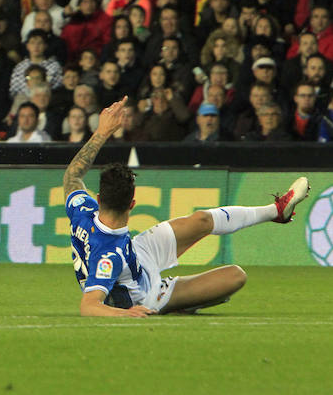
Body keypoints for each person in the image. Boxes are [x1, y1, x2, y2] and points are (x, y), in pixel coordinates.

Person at [63, 96, 311, 316]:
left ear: (97, 198)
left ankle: (276, 211)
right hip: (146, 293)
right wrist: (125, 315)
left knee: (201, 220)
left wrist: (102, 132)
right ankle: (177, 301)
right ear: (133, 205)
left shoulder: (83, 210)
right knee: (235, 276)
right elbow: (89, 306)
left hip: (137, 252)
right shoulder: (108, 255)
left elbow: (72, 176)